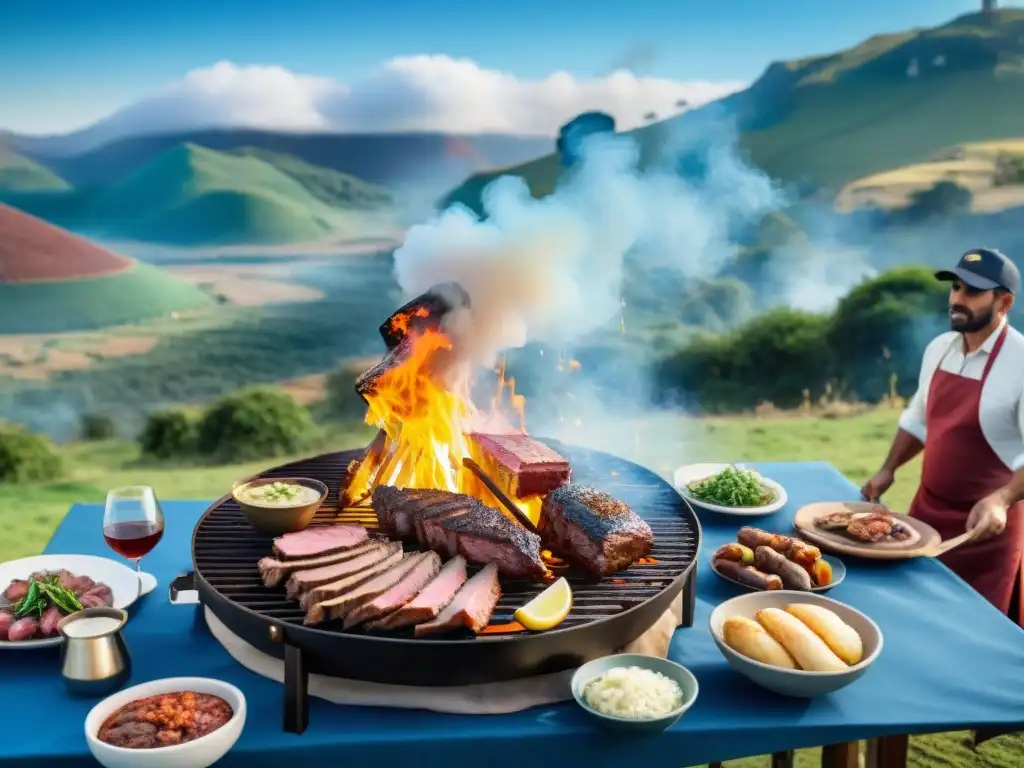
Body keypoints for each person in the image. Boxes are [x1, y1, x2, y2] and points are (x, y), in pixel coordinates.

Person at [861, 247, 1024, 626]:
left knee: (977, 634)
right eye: (955, 288)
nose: (957, 299)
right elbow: (918, 419)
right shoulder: (939, 349)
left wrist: (1001, 500)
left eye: (972, 291)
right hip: (926, 519)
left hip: (985, 534)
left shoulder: (1020, 362)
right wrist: (888, 469)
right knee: (915, 622)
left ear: (1004, 302)